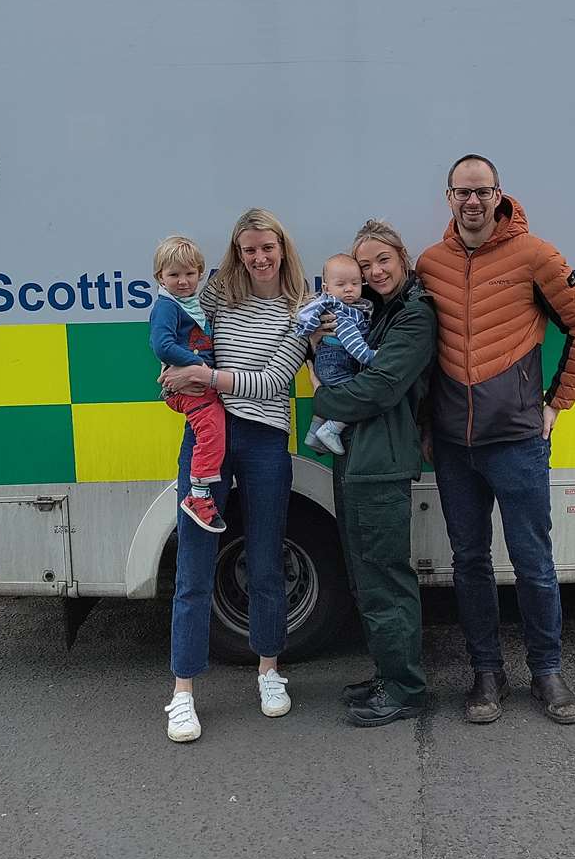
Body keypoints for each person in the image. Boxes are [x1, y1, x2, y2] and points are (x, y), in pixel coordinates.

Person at [416, 154, 575, 726]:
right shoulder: (431, 263)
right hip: (453, 445)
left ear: (499, 195)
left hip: (518, 440)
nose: (471, 202)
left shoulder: (535, 255)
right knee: (470, 562)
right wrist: (426, 425)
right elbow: (420, 353)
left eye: (482, 191)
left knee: (532, 562)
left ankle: (546, 670)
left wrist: (556, 404)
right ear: (448, 198)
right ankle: (486, 672)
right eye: (461, 192)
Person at [157, 209, 310, 742]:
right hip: (207, 440)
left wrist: (203, 376)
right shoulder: (218, 294)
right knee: (194, 567)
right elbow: (181, 328)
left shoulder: (301, 307)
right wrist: (173, 378)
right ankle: (182, 693)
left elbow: (273, 382)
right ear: (237, 253)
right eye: (249, 250)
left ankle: (269, 671)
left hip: (266, 441)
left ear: (282, 248)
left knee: (267, 561)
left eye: (267, 247)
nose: (259, 257)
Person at [309, 220, 437, 727]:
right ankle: (389, 672)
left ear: (401, 258)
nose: (374, 271)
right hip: (358, 459)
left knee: (385, 576)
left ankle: (406, 689)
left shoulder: (414, 316)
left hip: (381, 464)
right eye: (364, 266)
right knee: (365, 574)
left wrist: (321, 396)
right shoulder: (373, 313)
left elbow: (382, 388)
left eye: (383, 260)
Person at [148, 235, 227, 534]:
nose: (183, 281)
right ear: (160, 277)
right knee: (212, 428)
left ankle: (201, 493)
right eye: (174, 275)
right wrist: (200, 367)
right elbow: (162, 345)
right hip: (191, 385)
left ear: (200, 274)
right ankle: (198, 495)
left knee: (213, 428)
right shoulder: (167, 307)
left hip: (197, 382)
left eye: (190, 274)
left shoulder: (189, 303)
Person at [296, 252, 376, 455]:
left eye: (355, 283)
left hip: (328, 363)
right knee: (356, 398)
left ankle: (314, 433)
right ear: (326, 288)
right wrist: (370, 356)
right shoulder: (342, 312)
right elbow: (353, 344)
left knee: (333, 396)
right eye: (341, 285)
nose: (349, 289)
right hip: (337, 363)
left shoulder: (345, 306)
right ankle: (332, 429)